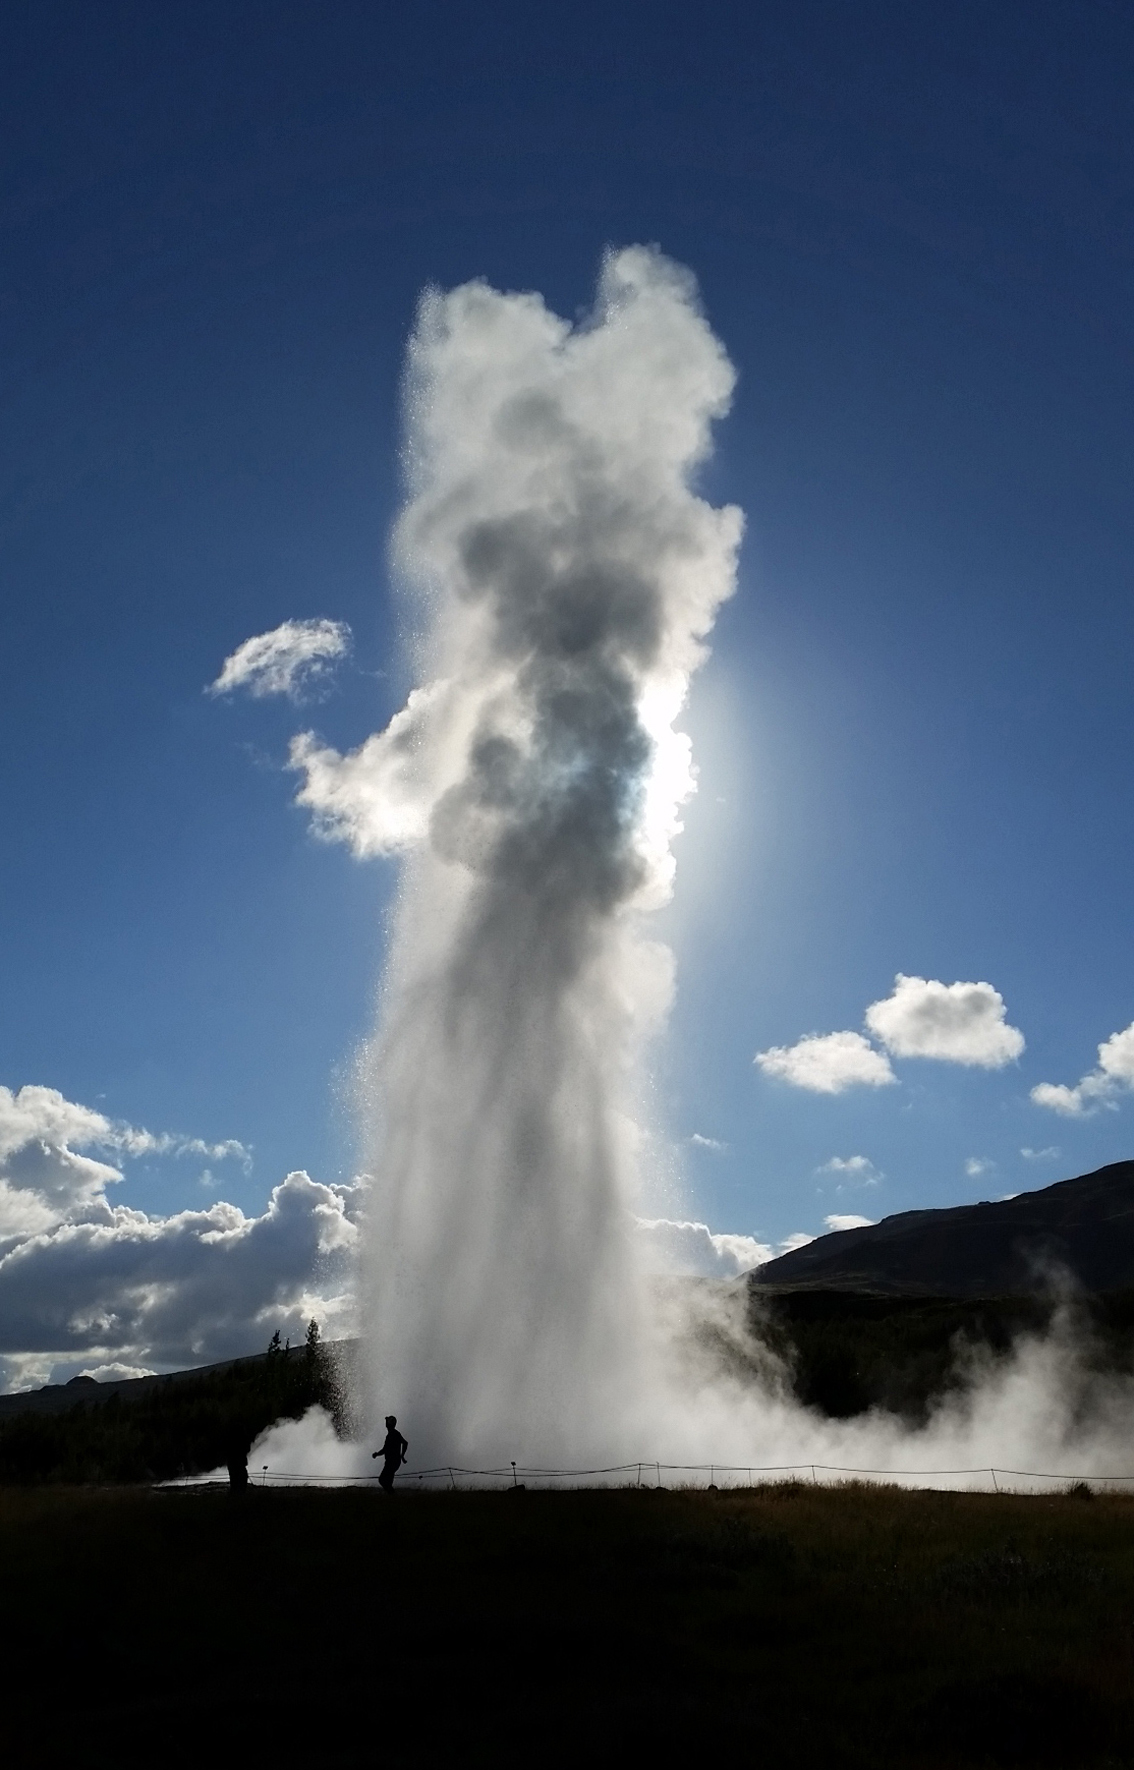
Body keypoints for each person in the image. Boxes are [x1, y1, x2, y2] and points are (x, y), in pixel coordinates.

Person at [372, 1415, 408, 1493]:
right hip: (393, 1462)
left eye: (387, 1421)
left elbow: (385, 1449)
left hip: (392, 1462)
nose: (385, 1423)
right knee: (387, 1481)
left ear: (389, 1424)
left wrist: (376, 1454)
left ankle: (392, 1496)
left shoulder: (393, 1435)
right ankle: (391, 1496)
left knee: (382, 1480)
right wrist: (402, 1456)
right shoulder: (394, 1434)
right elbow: (405, 1443)